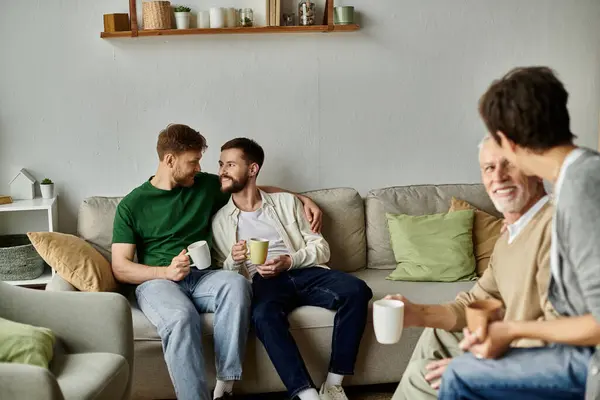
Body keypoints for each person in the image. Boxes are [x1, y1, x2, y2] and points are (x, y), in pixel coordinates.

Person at [111, 124, 324, 400]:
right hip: (158, 282)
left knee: (236, 284)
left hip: (203, 278)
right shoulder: (132, 205)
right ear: (170, 160)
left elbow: (252, 187)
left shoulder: (203, 186)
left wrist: (303, 199)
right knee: (181, 317)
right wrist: (166, 271)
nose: (199, 168)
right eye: (193, 161)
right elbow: (121, 267)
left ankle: (225, 385)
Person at [438, 66, 600, 399]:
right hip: (577, 352)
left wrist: (511, 330)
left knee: (460, 375)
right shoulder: (580, 174)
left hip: (590, 362)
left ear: (509, 142)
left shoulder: (582, 188)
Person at [388, 136, 555, 400]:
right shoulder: (509, 239)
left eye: (509, 164)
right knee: (438, 333)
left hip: (539, 373)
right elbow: (476, 301)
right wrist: (416, 313)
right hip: (514, 352)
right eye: (489, 168)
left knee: (423, 376)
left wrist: (481, 369)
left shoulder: (557, 230)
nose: (498, 176)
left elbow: (565, 338)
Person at [211, 138, 373, 400]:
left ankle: (333, 384)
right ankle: (307, 394)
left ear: (253, 169)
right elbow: (224, 273)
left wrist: (289, 260)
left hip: (304, 271)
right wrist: (234, 259)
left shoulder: (286, 203)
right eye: (221, 164)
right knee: (263, 316)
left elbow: (322, 248)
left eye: (230, 164)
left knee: (357, 290)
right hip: (263, 282)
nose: (222, 171)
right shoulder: (221, 221)